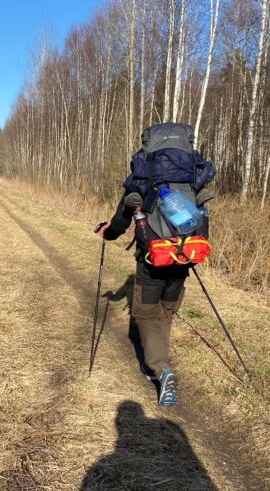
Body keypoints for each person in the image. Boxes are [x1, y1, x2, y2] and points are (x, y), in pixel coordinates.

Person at [96, 123, 215, 408]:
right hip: (184, 256)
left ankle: (161, 370)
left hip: (151, 259)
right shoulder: (192, 174)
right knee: (166, 310)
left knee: (147, 316)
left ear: (150, 144)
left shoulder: (143, 175)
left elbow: (122, 218)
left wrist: (107, 231)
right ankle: (159, 352)